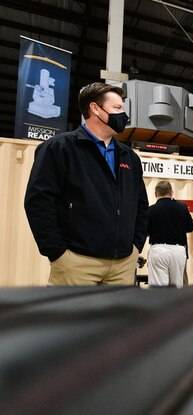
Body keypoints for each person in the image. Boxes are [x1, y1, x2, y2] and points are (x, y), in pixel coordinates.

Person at [24, 82, 148, 285]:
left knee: (117, 319)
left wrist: (136, 246)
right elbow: (38, 202)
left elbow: (141, 204)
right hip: (76, 263)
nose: (123, 115)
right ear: (95, 109)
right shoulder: (59, 148)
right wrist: (57, 253)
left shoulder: (129, 157)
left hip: (123, 265)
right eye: (117, 108)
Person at [146, 181, 193, 287]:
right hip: (178, 251)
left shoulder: (150, 210)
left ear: (155, 194)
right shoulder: (182, 208)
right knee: (176, 288)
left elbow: (145, 231)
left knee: (158, 289)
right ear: (171, 193)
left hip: (158, 250)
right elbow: (190, 228)